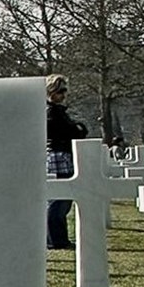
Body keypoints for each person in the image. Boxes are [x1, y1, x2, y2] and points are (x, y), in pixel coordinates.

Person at [44, 76, 86, 249]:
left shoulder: (57, 111)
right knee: (59, 199)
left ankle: (57, 238)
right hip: (58, 155)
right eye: (60, 91)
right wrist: (77, 129)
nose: (63, 95)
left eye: (64, 91)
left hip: (62, 153)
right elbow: (70, 131)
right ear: (50, 91)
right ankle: (56, 240)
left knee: (61, 199)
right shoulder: (51, 112)